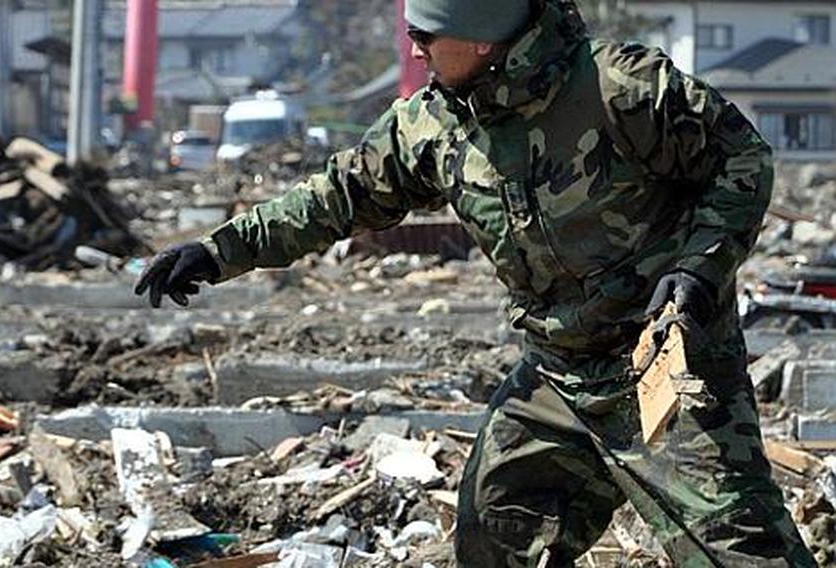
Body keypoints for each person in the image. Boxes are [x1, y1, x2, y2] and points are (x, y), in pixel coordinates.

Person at [135, 0, 817, 565]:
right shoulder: (433, 123)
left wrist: (697, 268)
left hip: (664, 365)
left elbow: (742, 162)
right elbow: (338, 195)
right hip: (558, 374)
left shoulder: (620, 89)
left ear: (482, 37)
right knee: (494, 529)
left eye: (426, 36)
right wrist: (220, 251)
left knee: (739, 549)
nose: (415, 51)